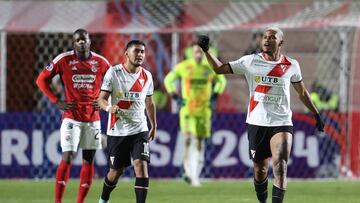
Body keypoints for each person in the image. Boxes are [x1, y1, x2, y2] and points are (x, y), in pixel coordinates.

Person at [198, 27, 325, 203]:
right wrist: (206, 50)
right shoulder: (250, 61)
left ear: (280, 42)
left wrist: (316, 113)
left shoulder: (291, 65)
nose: (266, 40)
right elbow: (219, 69)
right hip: (257, 122)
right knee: (260, 171)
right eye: (265, 37)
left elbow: (302, 92)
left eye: (272, 37)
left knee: (280, 165)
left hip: (281, 122)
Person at [36, 29, 111, 203]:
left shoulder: (101, 62)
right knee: (68, 156)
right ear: (73, 43)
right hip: (71, 117)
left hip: (93, 119)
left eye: (84, 39)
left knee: (88, 160)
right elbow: (41, 80)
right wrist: (56, 100)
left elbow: (113, 83)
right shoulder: (63, 60)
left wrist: (103, 101)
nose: (81, 42)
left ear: (89, 41)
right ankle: (58, 201)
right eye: (78, 40)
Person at [97, 40, 156, 203]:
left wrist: (154, 125)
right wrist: (109, 108)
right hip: (118, 130)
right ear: (127, 54)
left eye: (143, 52)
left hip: (140, 130)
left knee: (141, 168)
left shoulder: (147, 76)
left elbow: (149, 103)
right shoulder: (114, 73)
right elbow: (101, 99)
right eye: (136, 51)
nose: (140, 55)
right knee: (116, 172)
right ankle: (103, 199)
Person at [164, 43, 226, 187]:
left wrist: (215, 94)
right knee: (186, 140)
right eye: (196, 51)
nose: (198, 54)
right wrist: (175, 96)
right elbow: (168, 80)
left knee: (198, 141)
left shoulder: (209, 67)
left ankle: (195, 175)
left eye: (200, 52)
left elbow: (222, 81)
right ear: (191, 53)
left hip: (204, 111)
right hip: (188, 110)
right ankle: (188, 173)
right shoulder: (183, 66)